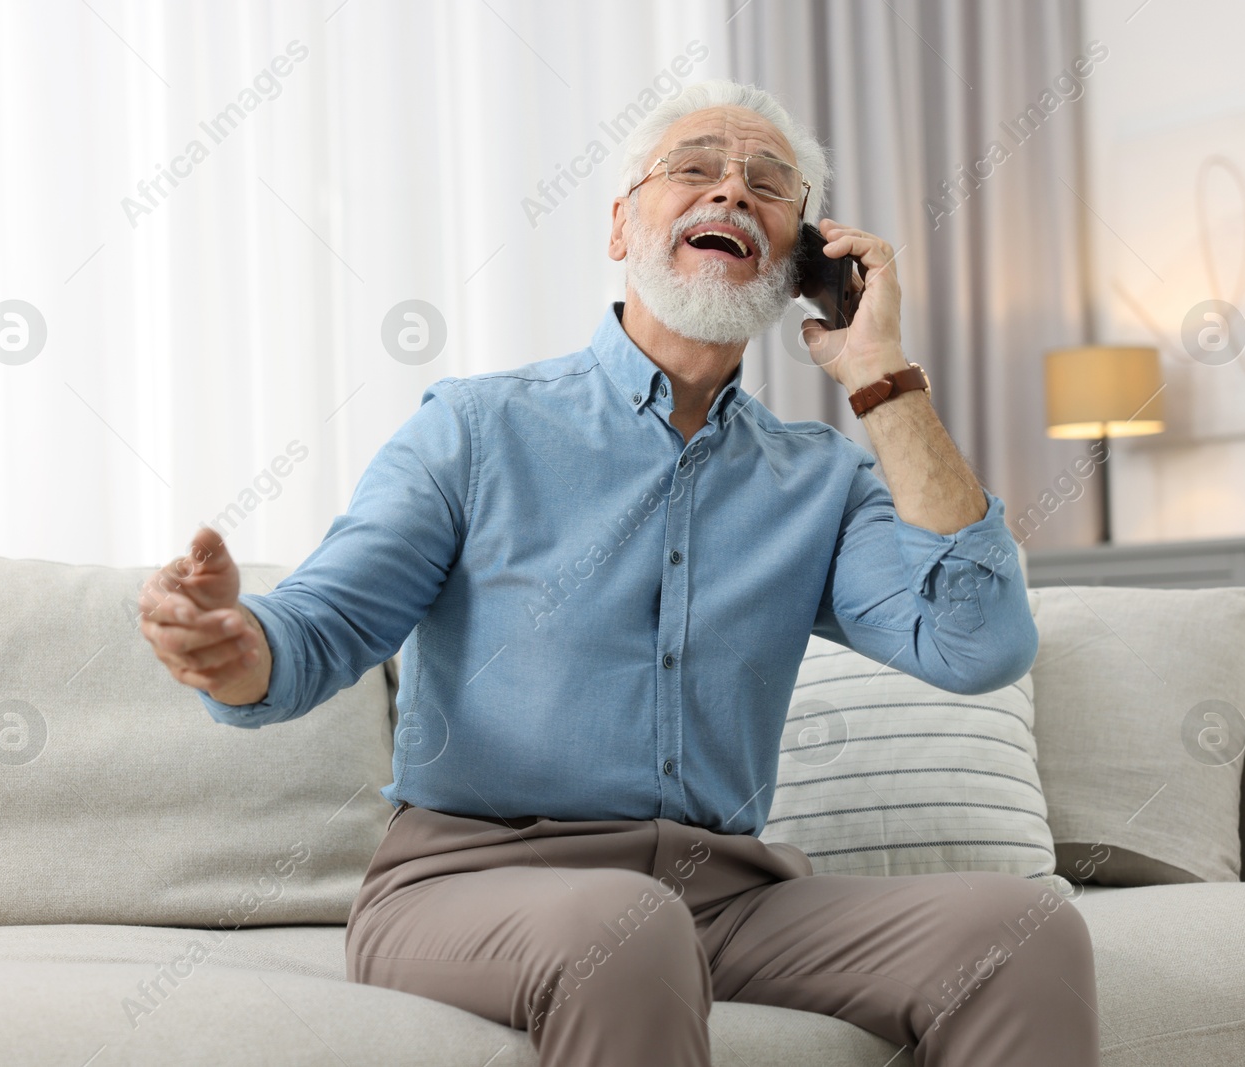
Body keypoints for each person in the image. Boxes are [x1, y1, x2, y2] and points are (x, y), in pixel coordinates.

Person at [138, 78, 1099, 1067]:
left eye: (768, 183)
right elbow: (322, 623)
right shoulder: (475, 427)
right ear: (619, 224)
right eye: (692, 168)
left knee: (1021, 927)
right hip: (464, 886)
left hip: (726, 897)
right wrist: (235, 645)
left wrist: (880, 373)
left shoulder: (822, 479)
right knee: (626, 921)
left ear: (800, 259)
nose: (729, 192)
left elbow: (976, 645)